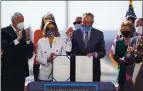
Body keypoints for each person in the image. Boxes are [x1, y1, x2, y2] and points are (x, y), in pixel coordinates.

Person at [1, 12, 34, 91]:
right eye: (20, 20)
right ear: (13, 21)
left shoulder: (24, 32)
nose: (22, 23)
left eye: (23, 21)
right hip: (9, 72)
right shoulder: (4, 31)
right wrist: (17, 39)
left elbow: (29, 54)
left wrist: (27, 40)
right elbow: (5, 48)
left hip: (21, 73)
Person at [70, 13, 106, 82]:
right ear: (81, 21)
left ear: (92, 22)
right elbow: (69, 51)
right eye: (85, 22)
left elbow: (103, 52)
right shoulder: (75, 33)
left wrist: (94, 54)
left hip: (93, 70)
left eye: (89, 23)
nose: (86, 24)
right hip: (78, 70)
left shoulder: (99, 34)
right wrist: (68, 38)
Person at [33, 12, 60, 81]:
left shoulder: (57, 33)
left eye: (50, 18)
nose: (48, 20)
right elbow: (35, 49)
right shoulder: (38, 32)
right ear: (43, 20)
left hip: (54, 63)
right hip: (39, 63)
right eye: (46, 18)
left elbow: (59, 48)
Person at [113, 20, 134, 91]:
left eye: (127, 29)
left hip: (133, 72)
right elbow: (115, 55)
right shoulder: (118, 42)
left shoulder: (135, 41)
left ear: (131, 30)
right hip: (121, 72)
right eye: (123, 29)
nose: (125, 31)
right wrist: (120, 60)